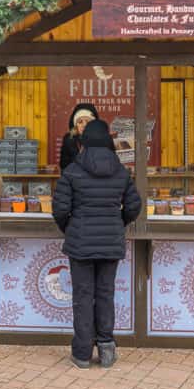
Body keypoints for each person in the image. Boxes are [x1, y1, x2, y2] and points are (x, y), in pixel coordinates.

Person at [52, 119, 142, 369]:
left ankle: (81, 354)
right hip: (110, 242)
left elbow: (60, 209)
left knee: (83, 296)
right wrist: (117, 223)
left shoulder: (72, 171)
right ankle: (106, 350)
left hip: (80, 243)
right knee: (105, 294)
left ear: (84, 142)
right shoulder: (122, 172)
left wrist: (70, 228)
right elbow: (134, 206)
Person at [60, 103, 98, 170]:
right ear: (76, 125)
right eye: (80, 122)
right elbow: (64, 165)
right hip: (75, 177)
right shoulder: (69, 140)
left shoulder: (101, 139)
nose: (84, 125)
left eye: (88, 122)